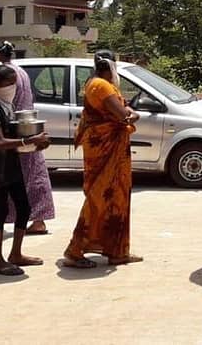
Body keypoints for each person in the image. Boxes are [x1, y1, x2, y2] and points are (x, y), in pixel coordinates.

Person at [0, 41, 55, 237]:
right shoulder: (20, 73)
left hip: (7, 135)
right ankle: (38, 220)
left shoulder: (0, 76)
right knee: (32, 177)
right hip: (23, 130)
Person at [63, 50, 142, 268]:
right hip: (105, 150)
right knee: (99, 198)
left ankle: (117, 250)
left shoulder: (95, 83)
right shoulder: (102, 86)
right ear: (111, 66)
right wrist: (134, 115)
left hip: (111, 151)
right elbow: (123, 114)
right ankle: (76, 250)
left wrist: (128, 112)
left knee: (116, 198)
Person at [0, 64, 51, 276]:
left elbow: (13, 140)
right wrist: (30, 140)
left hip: (11, 165)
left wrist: (35, 144)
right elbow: (0, 142)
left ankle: (16, 253)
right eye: (7, 83)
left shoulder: (6, 106)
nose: (11, 87)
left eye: (13, 83)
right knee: (0, 211)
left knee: (24, 207)